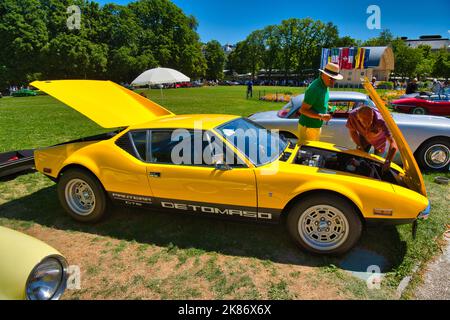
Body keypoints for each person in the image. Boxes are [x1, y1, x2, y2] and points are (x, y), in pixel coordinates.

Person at [297, 62, 343, 145]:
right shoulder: (314, 89)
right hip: (308, 127)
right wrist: (322, 116)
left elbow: (320, 102)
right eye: (331, 78)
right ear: (322, 74)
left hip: (315, 126)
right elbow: (302, 110)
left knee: (313, 150)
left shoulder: (325, 85)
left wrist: (329, 108)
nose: (333, 81)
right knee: (307, 153)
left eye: (334, 79)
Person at [346, 106, 398, 173]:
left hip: (380, 141)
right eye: (363, 121)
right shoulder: (353, 116)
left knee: (377, 164)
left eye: (369, 121)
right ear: (358, 118)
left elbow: (392, 142)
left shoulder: (381, 120)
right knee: (359, 158)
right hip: (363, 138)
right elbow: (352, 131)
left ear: (373, 116)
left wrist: (388, 161)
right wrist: (359, 145)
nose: (367, 125)